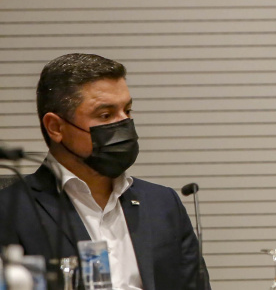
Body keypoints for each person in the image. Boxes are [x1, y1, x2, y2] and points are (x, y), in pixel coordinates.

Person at [0, 53, 210, 290]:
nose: (124, 124)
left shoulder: (163, 204)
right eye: (105, 115)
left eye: (127, 111)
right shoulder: (11, 212)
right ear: (56, 127)